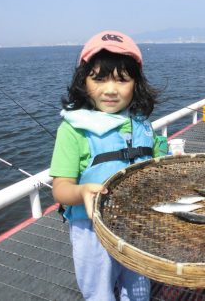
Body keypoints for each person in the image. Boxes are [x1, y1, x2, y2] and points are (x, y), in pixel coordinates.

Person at [50, 30, 165, 300]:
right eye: (99, 78)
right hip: (92, 231)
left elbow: (157, 159)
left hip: (137, 223)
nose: (111, 89)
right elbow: (60, 189)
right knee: (99, 292)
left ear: (136, 84)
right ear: (83, 81)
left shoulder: (141, 124)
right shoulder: (73, 130)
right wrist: (81, 192)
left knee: (138, 288)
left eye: (122, 80)